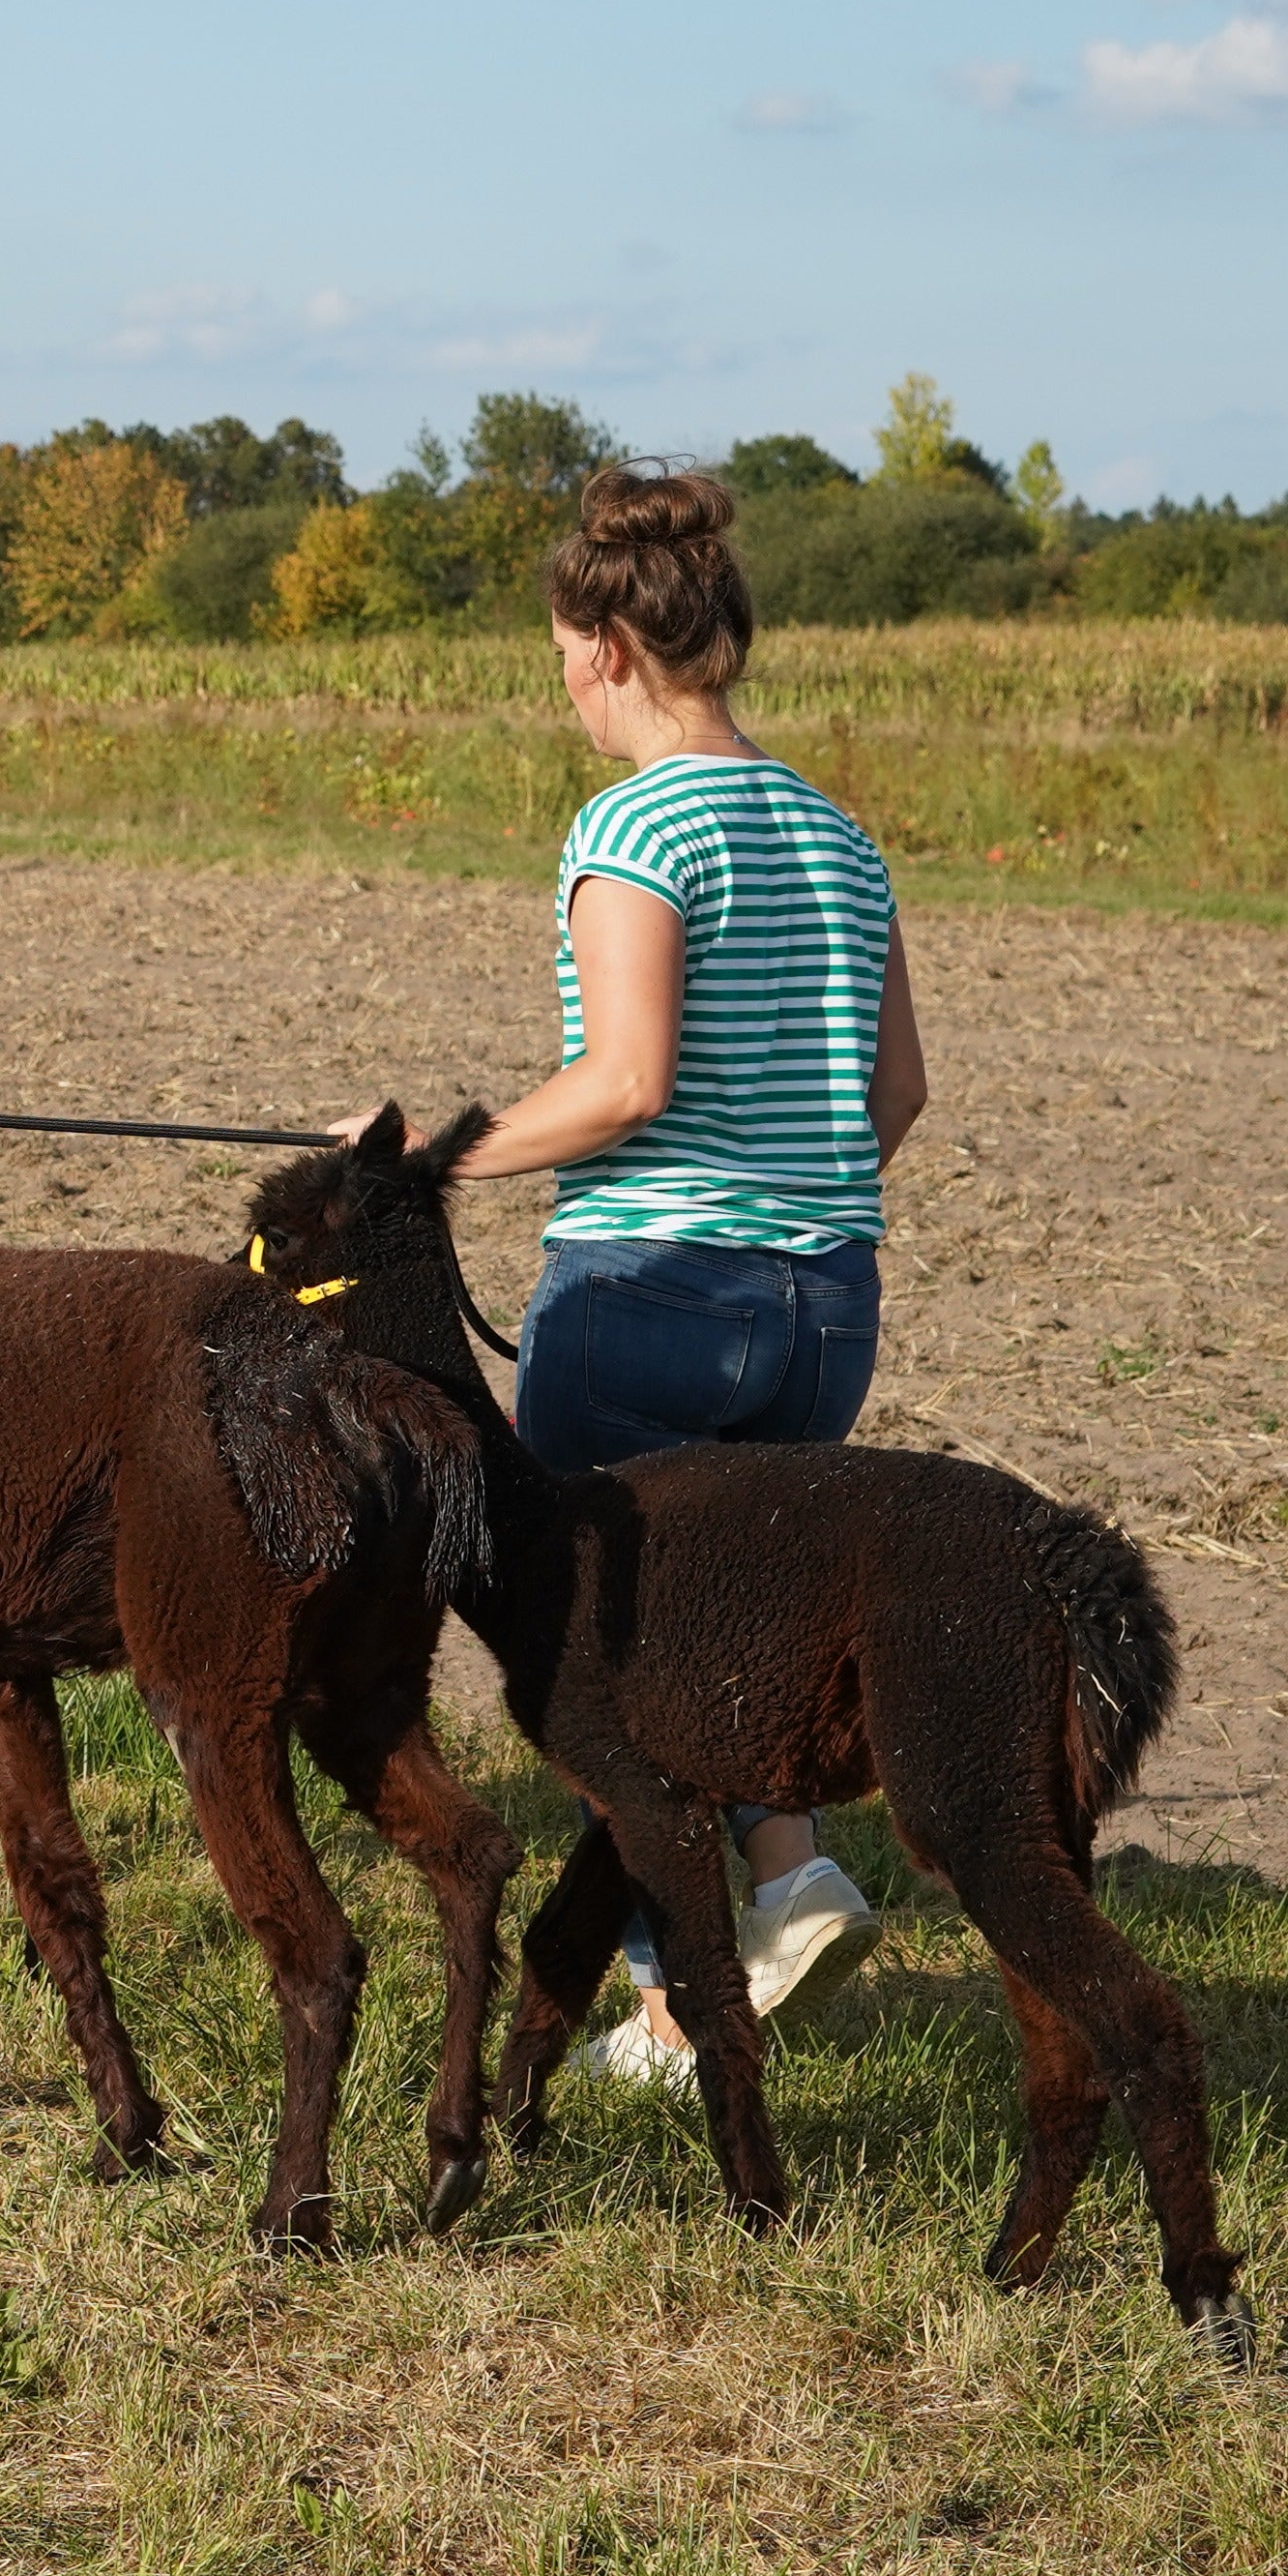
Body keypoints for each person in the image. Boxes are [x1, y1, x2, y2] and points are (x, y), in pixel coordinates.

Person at [407, 462, 926, 2085]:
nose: (560, 676)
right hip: (823, 1302)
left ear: (613, 647)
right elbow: (895, 1093)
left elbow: (625, 1082)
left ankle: (728, 1939)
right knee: (735, 1634)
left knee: (592, 1656)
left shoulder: (635, 823)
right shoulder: (839, 834)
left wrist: (423, 1167)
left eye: (564, 646)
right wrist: (788, 1210)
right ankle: (739, 1934)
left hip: (652, 1297)